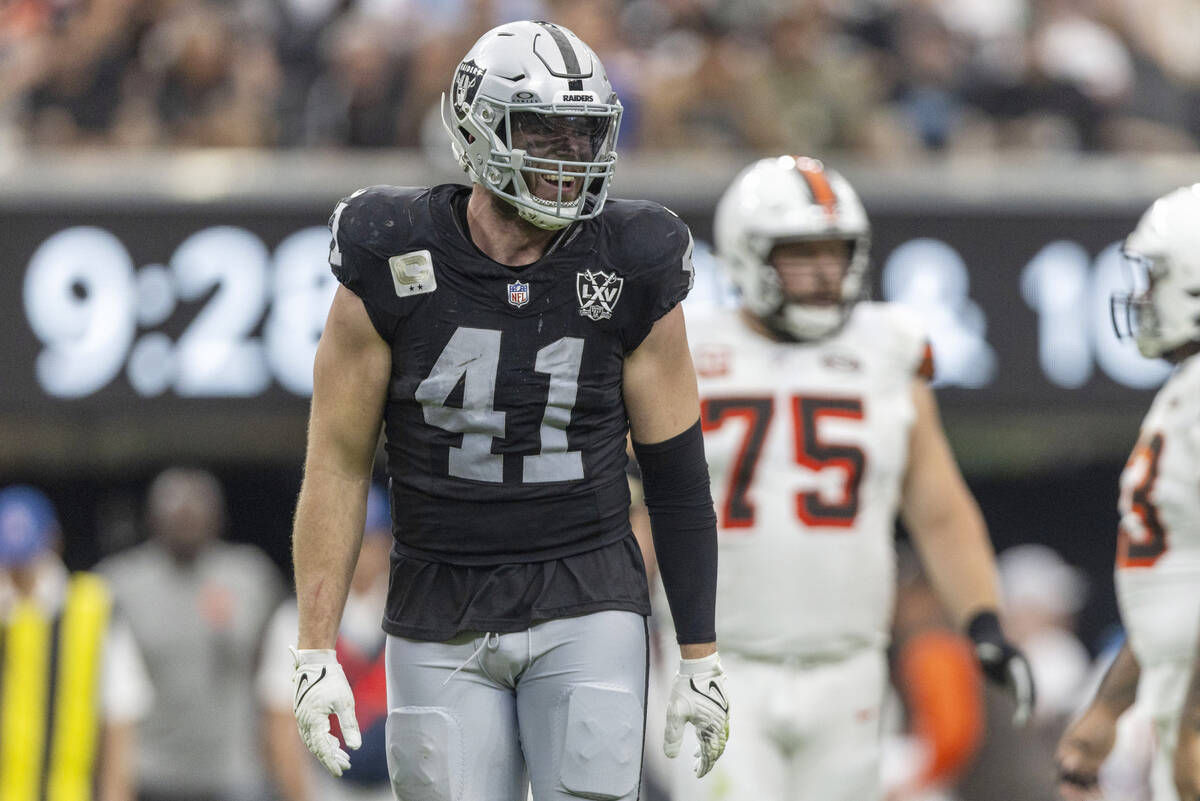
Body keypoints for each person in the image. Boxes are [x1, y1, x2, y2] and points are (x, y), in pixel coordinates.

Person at [288, 20, 730, 801]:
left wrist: (699, 651)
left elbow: (677, 472)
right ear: (476, 123)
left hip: (586, 594)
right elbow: (337, 459)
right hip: (438, 598)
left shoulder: (633, 257)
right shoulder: (390, 250)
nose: (566, 156)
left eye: (582, 132)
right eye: (542, 130)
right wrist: (313, 646)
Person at [644, 154, 1033, 801]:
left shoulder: (889, 346)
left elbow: (938, 509)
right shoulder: (684, 346)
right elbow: (637, 502)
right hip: (718, 660)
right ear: (748, 255)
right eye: (804, 254)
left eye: (839, 252)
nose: (828, 272)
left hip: (851, 662)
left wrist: (984, 620)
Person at [1056, 184, 1200, 801]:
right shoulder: (1186, 390)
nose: (1143, 295)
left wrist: (1195, 718)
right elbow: (1177, 587)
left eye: (1157, 275)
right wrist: (1109, 709)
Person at [97, 467, 284, 801]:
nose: (186, 521)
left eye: (196, 512)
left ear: (219, 518)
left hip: (232, 770)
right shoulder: (120, 583)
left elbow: (277, 669)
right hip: (148, 768)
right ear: (151, 519)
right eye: (175, 513)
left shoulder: (248, 575)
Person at [0, 484, 153, 801]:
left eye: (26, 560)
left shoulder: (93, 608)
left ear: (53, 541)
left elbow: (119, 725)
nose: (19, 574)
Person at [259, 483, 393, 801]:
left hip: (399, 785)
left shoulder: (411, 613)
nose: (358, 552)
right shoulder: (295, 619)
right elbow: (281, 725)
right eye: (348, 539)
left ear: (387, 543)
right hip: (327, 786)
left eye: (368, 541)